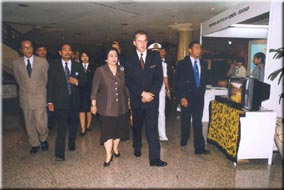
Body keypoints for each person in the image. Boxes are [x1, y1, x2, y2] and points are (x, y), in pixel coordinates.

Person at [125, 30, 167, 167]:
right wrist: (142, 94)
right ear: (134, 42)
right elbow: (128, 80)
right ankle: (137, 146)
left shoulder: (155, 56)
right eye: (139, 41)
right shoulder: (129, 58)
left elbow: (159, 78)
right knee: (137, 126)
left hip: (152, 99)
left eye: (144, 41)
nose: (142, 44)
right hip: (137, 99)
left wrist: (150, 94)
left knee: (152, 128)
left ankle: (155, 158)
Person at [90, 48, 130, 167]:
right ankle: (108, 155)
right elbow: (95, 89)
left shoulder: (122, 69)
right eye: (111, 55)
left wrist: (129, 100)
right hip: (106, 107)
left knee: (118, 130)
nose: (114, 58)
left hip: (121, 106)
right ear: (106, 58)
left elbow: (126, 87)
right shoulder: (100, 71)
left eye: (115, 56)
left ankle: (116, 149)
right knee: (107, 132)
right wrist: (93, 104)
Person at [47, 43, 86, 161]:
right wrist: (49, 101)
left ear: (72, 52)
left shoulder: (77, 65)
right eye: (64, 49)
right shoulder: (54, 65)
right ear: (60, 52)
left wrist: (77, 82)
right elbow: (50, 85)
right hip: (60, 103)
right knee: (61, 128)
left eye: (69, 49)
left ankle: (71, 143)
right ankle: (59, 154)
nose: (67, 52)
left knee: (74, 126)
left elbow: (85, 81)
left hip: (74, 102)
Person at [12, 39, 49, 154]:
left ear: (33, 48)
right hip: (25, 97)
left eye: (30, 47)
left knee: (40, 121)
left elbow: (46, 79)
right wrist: (26, 89)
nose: (28, 49)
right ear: (21, 50)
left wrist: (40, 90)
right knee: (29, 122)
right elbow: (18, 80)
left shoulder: (42, 62)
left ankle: (43, 139)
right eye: (25, 47)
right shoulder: (16, 63)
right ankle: (34, 143)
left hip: (39, 96)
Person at [175, 41, 210, 155]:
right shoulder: (182, 64)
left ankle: (199, 147)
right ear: (190, 50)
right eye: (196, 48)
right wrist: (181, 97)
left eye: (200, 48)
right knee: (185, 120)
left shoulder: (204, 63)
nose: (199, 50)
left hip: (199, 97)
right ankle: (184, 138)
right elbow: (178, 82)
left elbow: (204, 80)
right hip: (187, 96)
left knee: (197, 122)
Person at [36, 44, 55, 130]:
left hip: (50, 89)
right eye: (40, 50)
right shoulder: (33, 63)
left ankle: (49, 124)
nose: (42, 52)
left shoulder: (51, 62)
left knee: (50, 108)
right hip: (38, 91)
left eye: (44, 50)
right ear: (36, 52)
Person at [79, 51, 96, 136]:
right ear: (80, 57)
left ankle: (88, 126)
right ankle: (83, 129)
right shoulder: (77, 67)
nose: (84, 58)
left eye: (86, 56)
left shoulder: (93, 67)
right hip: (80, 93)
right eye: (83, 56)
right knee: (81, 111)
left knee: (89, 111)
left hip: (90, 93)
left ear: (89, 57)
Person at [158, 47, 170, 141]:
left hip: (161, 90)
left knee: (161, 111)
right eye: (161, 51)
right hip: (151, 91)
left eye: (164, 51)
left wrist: (167, 89)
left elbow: (165, 77)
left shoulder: (164, 64)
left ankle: (162, 134)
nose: (163, 53)